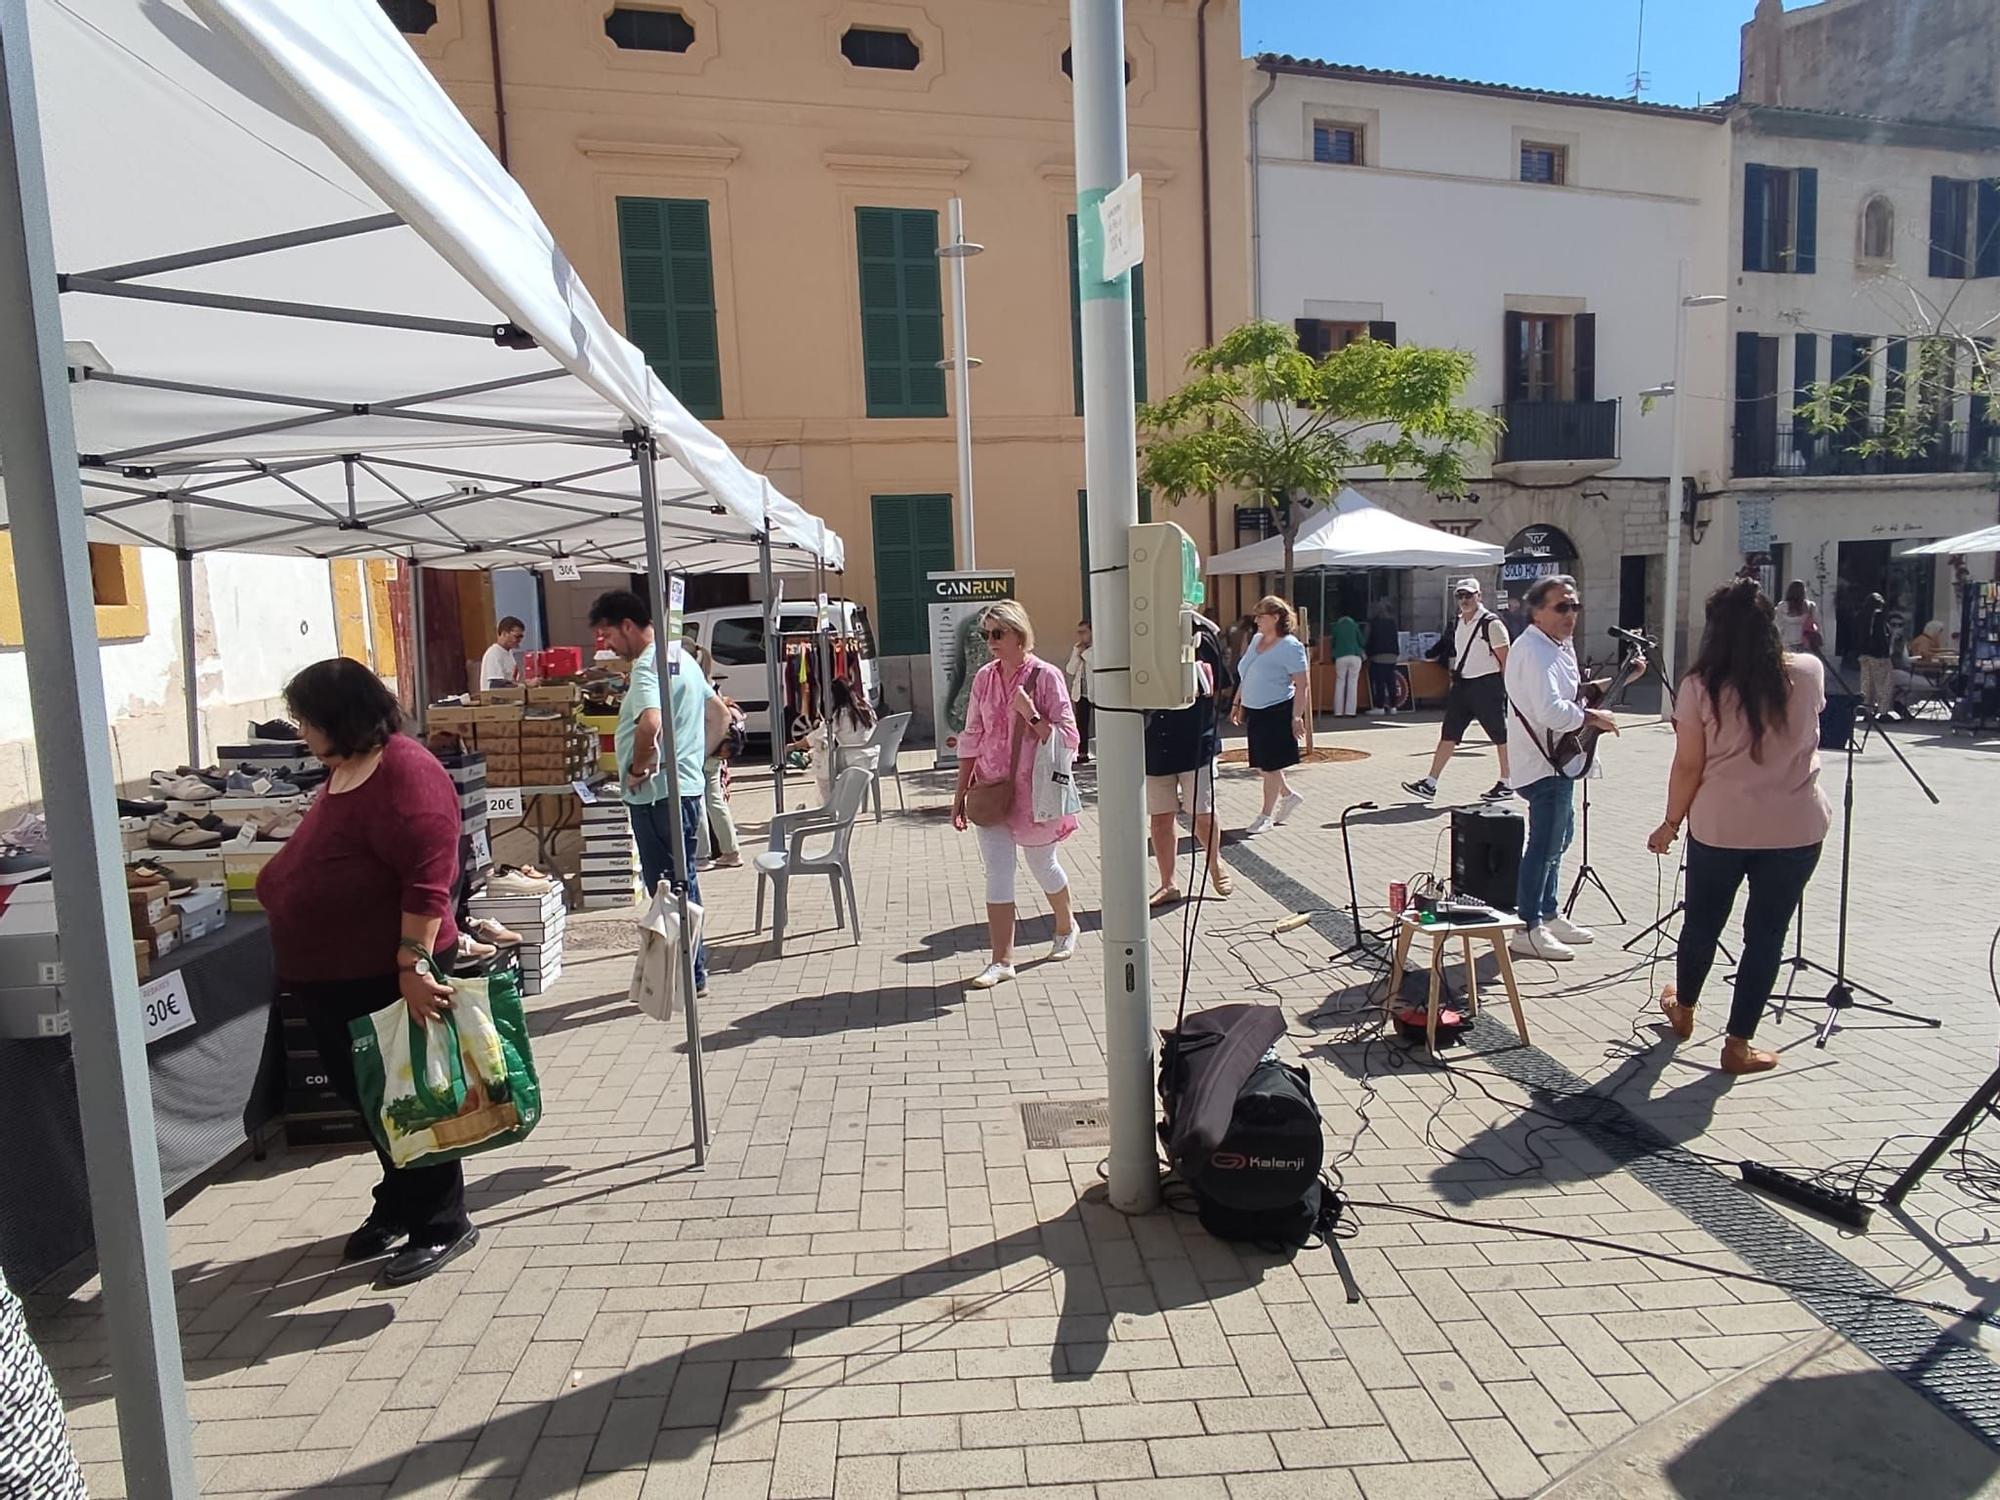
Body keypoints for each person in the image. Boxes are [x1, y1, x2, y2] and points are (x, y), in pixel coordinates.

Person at [256, 658, 476, 1285]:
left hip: (389, 971)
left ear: (338, 717)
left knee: (409, 1097)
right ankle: (401, 1202)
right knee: (373, 1103)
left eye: (305, 720)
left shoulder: (407, 770)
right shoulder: (346, 768)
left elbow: (431, 879)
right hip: (330, 977)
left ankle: (442, 1220)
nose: (300, 732)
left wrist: (413, 962)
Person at [1649, 581, 1831, 1074]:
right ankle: (1737, 1043)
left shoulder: (1699, 686)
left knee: (1702, 922)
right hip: (1794, 827)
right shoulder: (1808, 672)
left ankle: (1683, 1010)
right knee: (1767, 935)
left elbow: (1688, 764)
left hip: (1721, 825)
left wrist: (1670, 823)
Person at [950, 601, 1080, 990]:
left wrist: (1032, 715)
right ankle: (1001, 960)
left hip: (1035, 792)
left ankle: (1065, 923)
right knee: (998, 872)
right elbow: (971, 737)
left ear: (1019, 635)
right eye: (985, 634)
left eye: (997, 633)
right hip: (991, 790)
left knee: (1042, 865)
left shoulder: (1046, 677)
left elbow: (1070, 738)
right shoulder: (984, 679)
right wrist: (959, 794)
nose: (990, 642)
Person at [590, 589, 714, 996]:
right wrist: (693, 759)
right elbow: (721, 715)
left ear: (627, 626)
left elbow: (650, 724)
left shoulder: (648, 666)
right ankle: (692, 969)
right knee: (684, 880)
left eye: (608, 635)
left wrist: (641, 767)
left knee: (667, 885)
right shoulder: (684, 660)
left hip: (657, 795)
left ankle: (684, 975)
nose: (607, 645)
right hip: (685, 789)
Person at [1502, 575, 1621, 962]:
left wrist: (1618, 680)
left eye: (1575, 606)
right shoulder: (1534, 651)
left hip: (1558, 761)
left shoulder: (1556, 646)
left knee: (1560, 838)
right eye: (1561, 607)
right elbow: (1550, 710)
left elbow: (1566, 695)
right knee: (1544, 844)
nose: (1571, 614)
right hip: (1542, 762)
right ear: (1537, 612)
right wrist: (1592, 717)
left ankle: (1548, 913)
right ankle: (1527, 925)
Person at [1146, 616, 1232, 903]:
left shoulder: (1199, 633)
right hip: (1154, 742)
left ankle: (1214, 861)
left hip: (1196, 739)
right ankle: (1168, 883)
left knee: (1203, 814)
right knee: (1160, 818)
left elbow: (1220, 681)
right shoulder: (1139, 634)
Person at [1404, 578, 1513, 803]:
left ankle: (1507, 782)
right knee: (1449, 733)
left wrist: (1508, 690)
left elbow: (1506, 660)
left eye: (1469, 595)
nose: (1464, 600)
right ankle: (1430, 783)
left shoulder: (1491, 623)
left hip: (1487, 685)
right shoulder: (1459, 622)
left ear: (1479, 596)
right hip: (1463, 684)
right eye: (1461, 596)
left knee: (1499, 734)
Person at [1230, 595, 1310, 835]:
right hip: (1255, 710)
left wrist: (1297, 716)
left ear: (1275, 618)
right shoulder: (1256, 640)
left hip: (1277, 710)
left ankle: (1265, 814)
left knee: (1271, 764)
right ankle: (1288, 795)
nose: (1256, 620)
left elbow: (1302, 684)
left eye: (1260, 616)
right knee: (1262, 764)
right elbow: (1247, 673)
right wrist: (1237, 702)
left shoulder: (1290, 646)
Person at [695, 648, 742, 871]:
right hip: (714, 751)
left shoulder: (694, 685)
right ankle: (730, 851)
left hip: (700, 750)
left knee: (700, 802)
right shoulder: (710, 684)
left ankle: (702, 855)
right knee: (714, 801)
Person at [814, 673, 879, 803]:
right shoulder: (867, 708)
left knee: (823, 770)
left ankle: (829, 804)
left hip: (853, 758)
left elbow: (824, 736)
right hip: (873, 755)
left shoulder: (841, 713)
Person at [1858, 591, 1894, 716]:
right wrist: (1885, 652)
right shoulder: (1878, 616)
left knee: (1867, 685)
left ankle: (1867, 709)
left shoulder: (1861, 616)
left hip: (1864, 655)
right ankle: (1883, 712)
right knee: (1883, 685)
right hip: (1878, 656)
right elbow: (1881, 636)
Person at [1365, 598, 1401, 715]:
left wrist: (1367, 653)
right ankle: (1393, 706)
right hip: (1392, 654)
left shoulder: (1373, 623)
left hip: (1378, 655)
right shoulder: (1393, 623)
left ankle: (1379, 706)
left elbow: (1369, 639)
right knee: (1391, 681)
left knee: (1379, 682)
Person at [1067, 621, 1095, 766]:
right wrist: (1077, 653)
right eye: (1079, 632)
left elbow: (1095, 663)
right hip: (1080, 692)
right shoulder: (1077, 648)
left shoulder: (1097, 647)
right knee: (1081, 723)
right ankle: (1082, 752)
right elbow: (1070, 669)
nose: (1081, 635)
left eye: (1084, 632)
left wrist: (1084, 652)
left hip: (1096, 691)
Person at [1329, 608, 1365, 717]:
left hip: (1340, 656)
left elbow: (1332, 643)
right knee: (1352, 683)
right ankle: (1351, 711)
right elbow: (1361, 641)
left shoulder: (1336, 626)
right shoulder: (1354, 625)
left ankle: (1338, 712)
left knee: (1340, 683)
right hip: (1355, 655)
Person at [479, 616, 526, 688]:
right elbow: (496, 685)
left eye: (521, 637)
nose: (519, 640)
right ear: (504, 634)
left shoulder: (509, 653)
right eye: (517, 636)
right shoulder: (493, 654)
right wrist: (523, 685)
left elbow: (511, 681)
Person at [1777, 580, 1822, 655]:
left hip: (1786, 643)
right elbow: (1818, 624)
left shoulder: (1782, 606)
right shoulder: (1810, 606)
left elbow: (1778, 625)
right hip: (1805, 644)